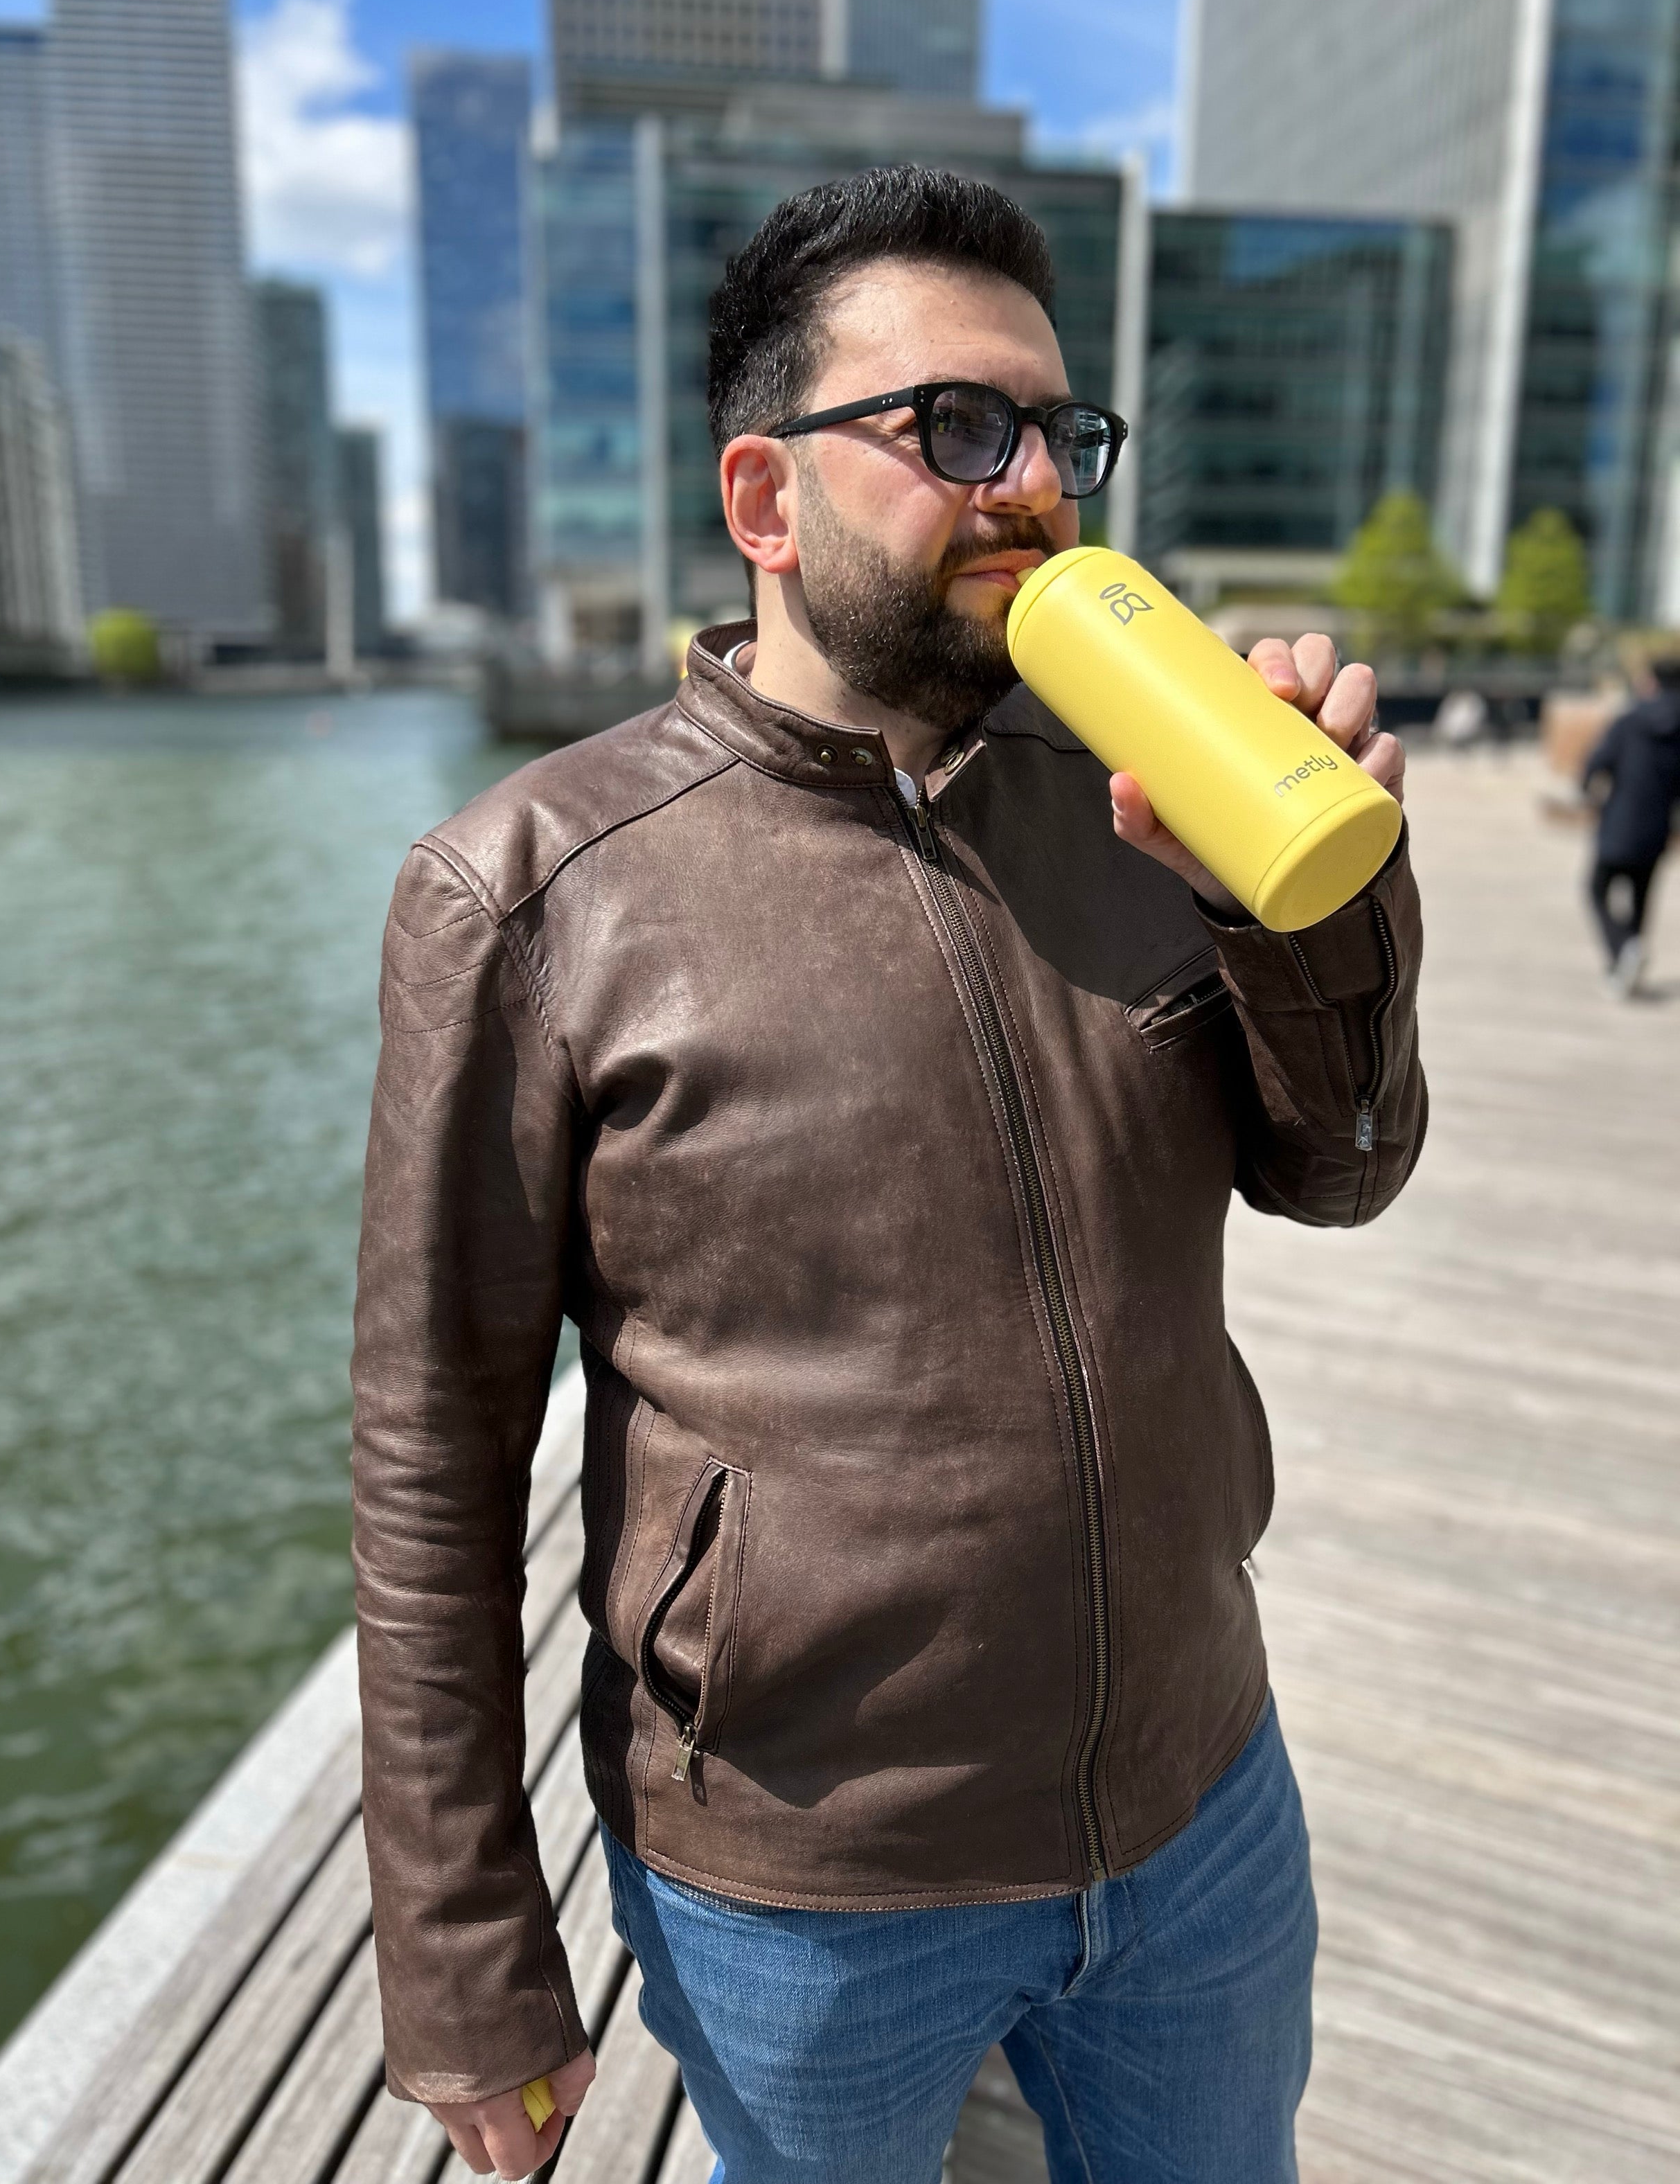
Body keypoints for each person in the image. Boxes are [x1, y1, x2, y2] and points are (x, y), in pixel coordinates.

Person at [351, 166, 1425, 2184]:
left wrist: (1320, 903)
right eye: (957, 427)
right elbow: (431, 1457)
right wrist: (462, 1956)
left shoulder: (1148, 799)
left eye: (1059, 431)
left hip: (1199, 1809)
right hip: (807, 1896)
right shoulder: (523, 891)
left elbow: (1349, 1165)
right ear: (767, 499)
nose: (1033, 481)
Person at [1582, 657, 1680, 995]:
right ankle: (1630, 956)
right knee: (1641, 899)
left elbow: (1596, 764)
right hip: (1657, 830)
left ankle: (1624, 951)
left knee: (1596, 890)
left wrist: (1588, 795)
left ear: (1651, 682)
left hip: (1619, 824)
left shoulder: (1630, 721)